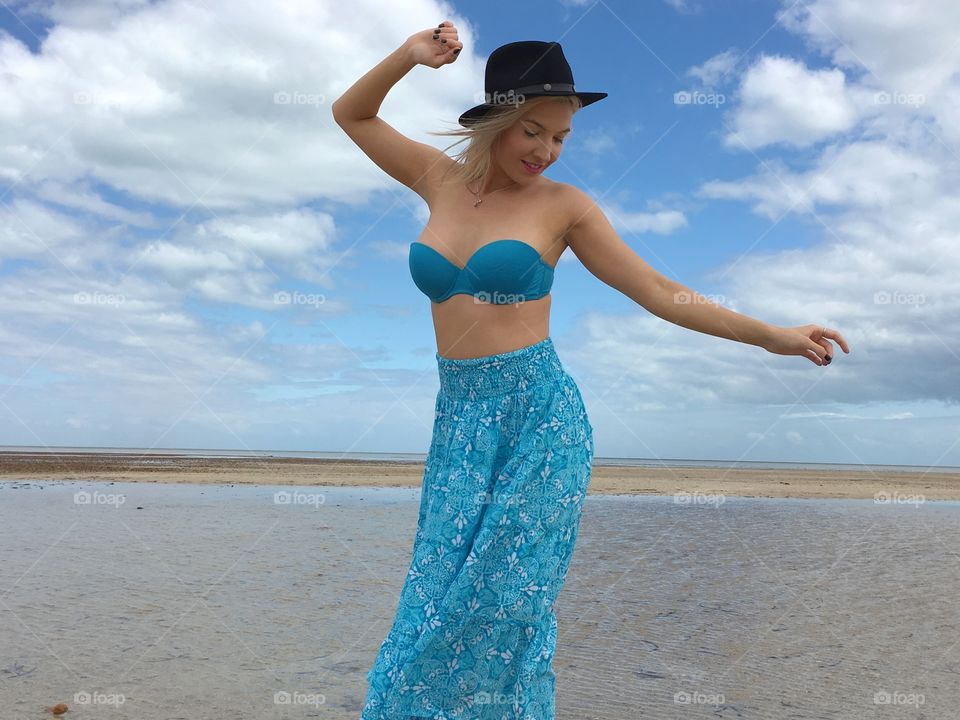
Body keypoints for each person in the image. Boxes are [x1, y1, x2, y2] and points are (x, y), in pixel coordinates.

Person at [332, 22, 850, 720]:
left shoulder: (564, 209)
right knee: (435, 596)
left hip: (541, 421)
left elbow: (660, 291)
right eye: (534, 132)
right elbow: (351, 114)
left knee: (504, 602)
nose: (547, 151)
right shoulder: (438, 178)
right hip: (459, 420)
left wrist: (772, 337)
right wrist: (407, 56)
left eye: (561, 138)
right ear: (498, 120)